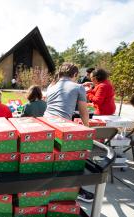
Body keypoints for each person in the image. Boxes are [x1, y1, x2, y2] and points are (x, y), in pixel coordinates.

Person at [45, 63, 93, 202]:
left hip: (45, 124)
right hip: (61, 128)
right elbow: (84, 112)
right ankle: (75, 190)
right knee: (73, 161)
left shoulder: (51, 86)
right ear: (75, 75)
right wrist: (86, 130)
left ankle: (47, 190)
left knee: (49, 159)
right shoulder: (78, 87)